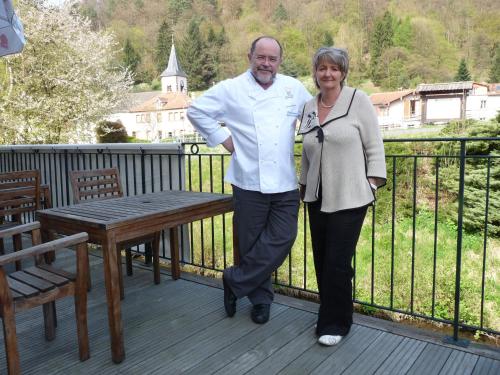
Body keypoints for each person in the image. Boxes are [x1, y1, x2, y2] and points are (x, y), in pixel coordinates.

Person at [187, 36, 312, 324]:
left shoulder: (293, 88)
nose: (266, 63)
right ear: (250, 57)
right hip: (247, 180)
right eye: (261, 57)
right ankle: (261, 300)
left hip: (284, 181)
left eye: (272, 58)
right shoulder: (231, 89)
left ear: (280, 61)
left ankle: (234, 280)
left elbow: (315, 116)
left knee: (284, 236)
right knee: (251, 242)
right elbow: (196, 111)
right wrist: (223, 139)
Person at [298, 46, 386, 346]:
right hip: (317, 196)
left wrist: (372, 183)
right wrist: (303, 184)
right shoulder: (309, 106)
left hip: (350, 196)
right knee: (322, 260)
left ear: (343, 72)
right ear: (316, 73)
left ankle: (336, 324)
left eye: (334, 68)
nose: (328, 73)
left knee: (337, 262)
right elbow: (307, 150)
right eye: (322, 68)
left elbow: (374, 144)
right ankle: (331, 312)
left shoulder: (358, 100)